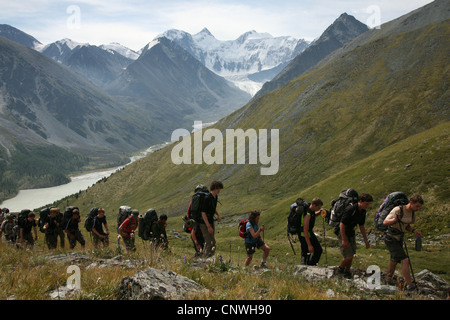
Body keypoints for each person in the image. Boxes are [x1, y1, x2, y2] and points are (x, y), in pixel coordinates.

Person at [383, 194, 424, 291]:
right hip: (390, 237)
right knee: (405, 259)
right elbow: (385, 222)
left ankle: (388, 279)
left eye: (419, 207)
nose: (418, 209)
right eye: (417, 206)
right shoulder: (398, 210)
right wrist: (394, 220)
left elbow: (406, 225)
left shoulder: (412, 213)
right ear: (411, 203)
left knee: (394, 259)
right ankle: (409, 285)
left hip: (399, 237)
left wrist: (414, 231)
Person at [335, 193, 373, 278]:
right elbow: (342, 224)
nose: (368, 206)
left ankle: (347, 271)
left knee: (352, 254)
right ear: (360, 201)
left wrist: (366, 240)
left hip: (351, 233)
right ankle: (340, 270)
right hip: (343, 232)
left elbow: (361, 226)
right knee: (348, 256)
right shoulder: (350, 209)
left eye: (369, 204)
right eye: (366, 204)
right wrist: (344, 239)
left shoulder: (363, 211)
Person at [199, 180, 223, 258]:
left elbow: (213, 208)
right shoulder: (207, 198)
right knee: (210, 243)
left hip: (210, 221)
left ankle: (204, 257)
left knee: (211, 242)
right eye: (219, 188)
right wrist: (208, 226)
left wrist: (218, 214)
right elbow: (203, 213)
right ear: (215, 188)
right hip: (204, 223)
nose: (219, 190)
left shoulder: (215, 197)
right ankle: (206, 260)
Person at [300, 198, 324, 265]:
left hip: (310, 233)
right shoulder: (307, 214)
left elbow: (312, 216)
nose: (318, 209)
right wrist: (309, 245)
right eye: (318, 207)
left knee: (318, 250)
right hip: (304, 235)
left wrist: (319, 213)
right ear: (313, 205)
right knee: (306, 253)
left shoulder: (311, 210)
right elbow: (305, 230)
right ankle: (305, 268)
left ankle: (311, 265)